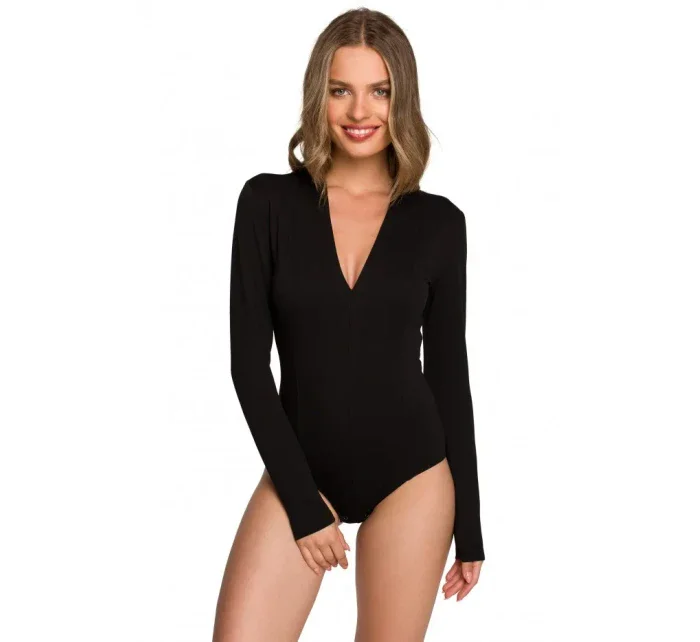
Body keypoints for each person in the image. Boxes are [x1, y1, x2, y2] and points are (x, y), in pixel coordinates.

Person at [213, 8, 485, 641]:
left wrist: (469, 526)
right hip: (301, 470)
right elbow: (248, 367)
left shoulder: (440, 223)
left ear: (401, 98)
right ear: (320, 95)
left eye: (379, 91)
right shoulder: (267, 204)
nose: (360, 111)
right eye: (342, 90)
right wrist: (302, 503)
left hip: (413, 477)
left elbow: (449, 375)